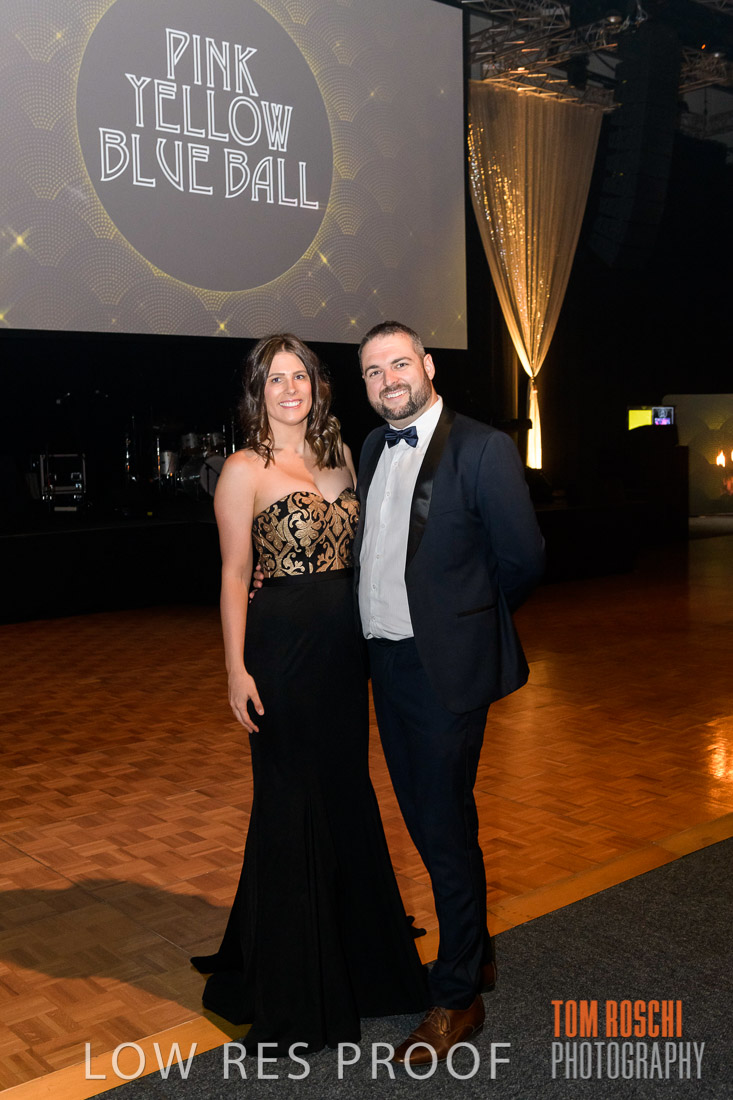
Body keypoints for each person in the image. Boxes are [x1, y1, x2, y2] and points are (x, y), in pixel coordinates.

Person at [190, 333, 428, 1055]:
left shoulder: (342, 456)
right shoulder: (242, 469)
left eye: (300, 376)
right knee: (290, 802)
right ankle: (294, 989)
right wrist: (235, 669)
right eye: (275, 379)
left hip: (343, 655)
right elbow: (234, 575)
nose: (290, 388)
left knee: (345, 794)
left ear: (317, 386)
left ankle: (362, 964)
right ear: (257, 392)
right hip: (281, 656)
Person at [355, 321, 545, 1064]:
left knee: (438, 826)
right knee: (435, 818)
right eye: (373, 372)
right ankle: (478, 950)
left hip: (445, 673)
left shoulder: (483, 448)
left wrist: (464, 625)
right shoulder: (372, 448)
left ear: (428, 366)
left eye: (399, 364)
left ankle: (458, 993)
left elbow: (522, 559)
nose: (388, 380)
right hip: (386, 665)